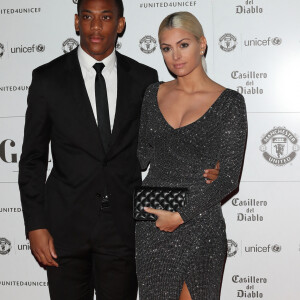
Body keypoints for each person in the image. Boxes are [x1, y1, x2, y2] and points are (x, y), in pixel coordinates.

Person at [18, 1, 219, 299]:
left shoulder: (145, 79)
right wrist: (35, 225)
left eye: (106, 17)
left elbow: (163, 144)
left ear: (120, 24)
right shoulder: (47, 79)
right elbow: (32, 159)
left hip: (124, 228)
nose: (96, 26)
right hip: (65, 229)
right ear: (77, 22)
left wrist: (208, 167)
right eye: (87, 17)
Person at [136, 12, 248, 300]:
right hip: (154, 221)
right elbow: (139, 158)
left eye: (183, 45)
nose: (175, 56)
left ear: (202, 44)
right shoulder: (152, 94)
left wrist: (181, 216)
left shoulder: (230, 103)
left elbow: (229, 180)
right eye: (166, 48)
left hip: (201, 221)